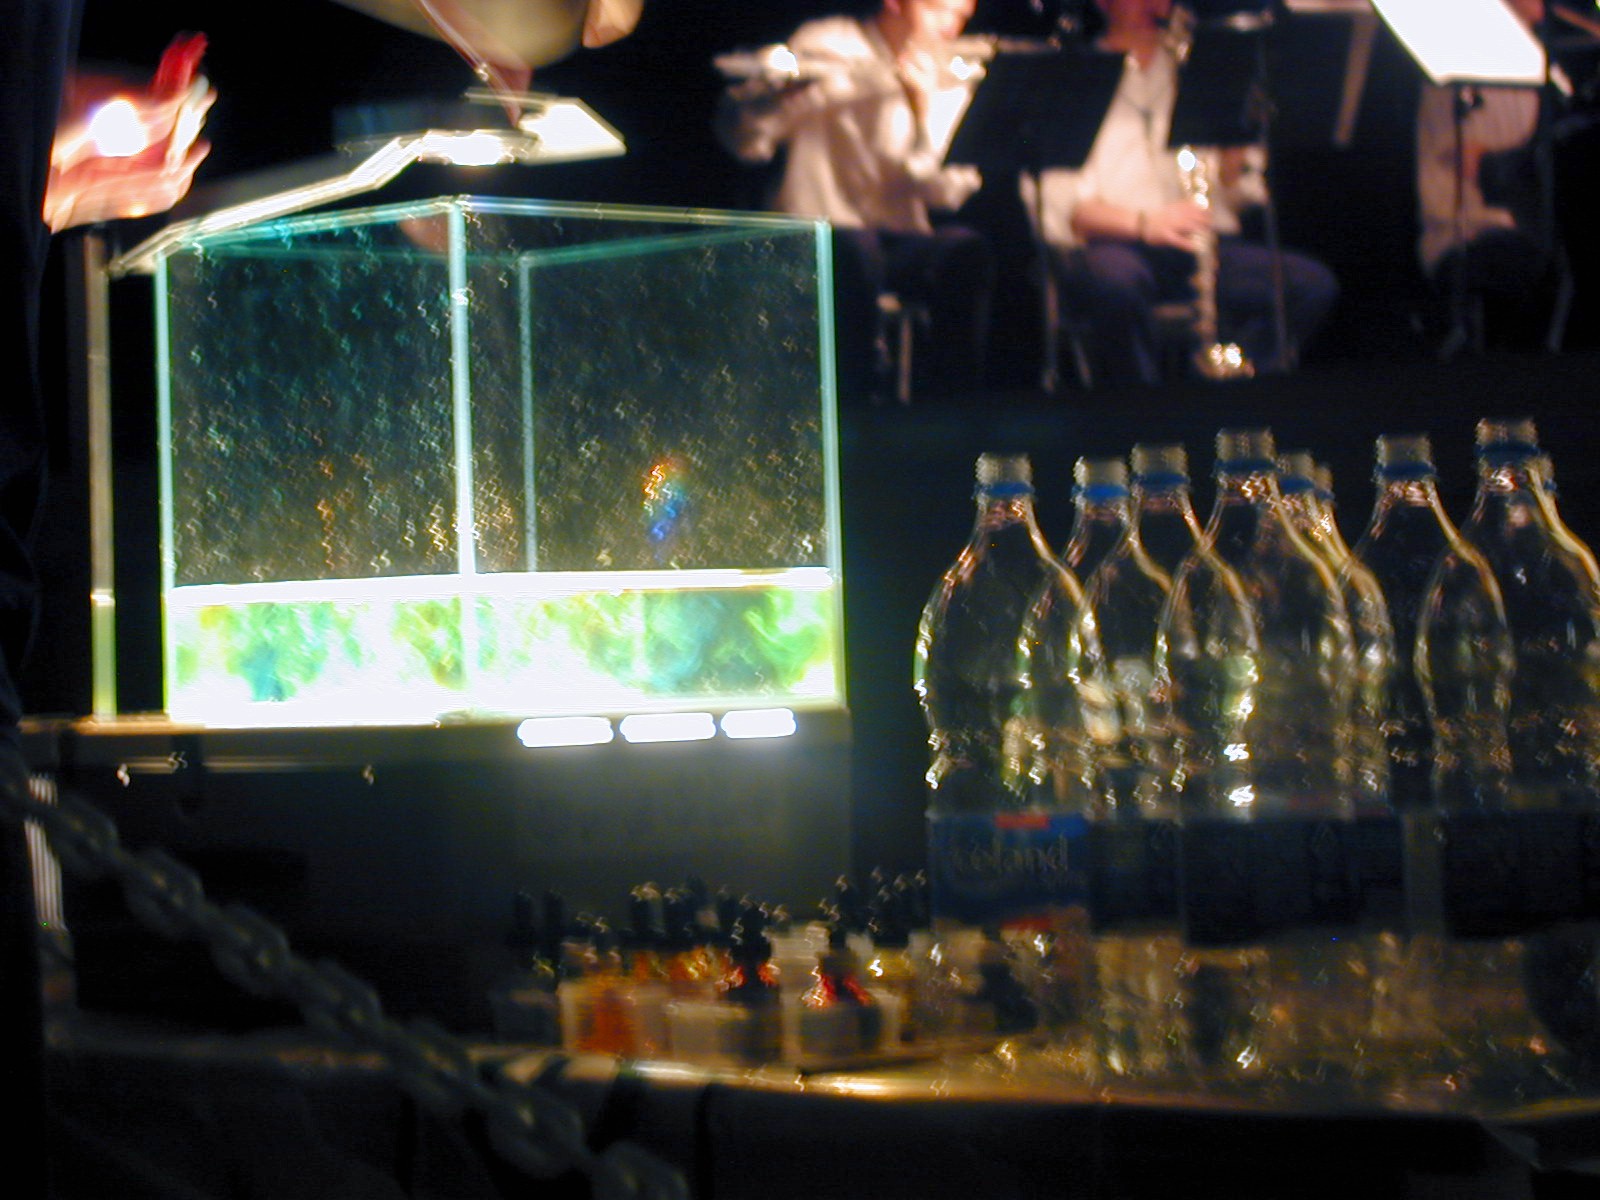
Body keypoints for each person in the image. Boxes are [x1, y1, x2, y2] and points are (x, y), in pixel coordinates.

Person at [1027, 0, 1337, 388]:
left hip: (1196, 245)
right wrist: (1145, 224)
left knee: (1307, 285)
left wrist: (1237, 145)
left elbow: (1234, 193)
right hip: (1114, 244)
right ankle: (1145, 407)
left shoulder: (1194, 70)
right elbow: (1066, 207)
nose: (1155, 5)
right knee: (1115, 284)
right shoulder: (1073, 78)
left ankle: (1231, 388)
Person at [715, 0, 997, 404]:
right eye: (938, 9)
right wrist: (790, 93)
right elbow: (746, 142)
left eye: (960, 16)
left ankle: (951, 409)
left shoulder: (950, 72)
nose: (950, 26)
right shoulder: (826, 43)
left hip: (899, 236)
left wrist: (921, 111)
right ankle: (856, 406)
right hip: (816, 234)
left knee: (966, 251)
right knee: (855, 249)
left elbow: (948, 192)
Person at [1415, 0, 1559, 353]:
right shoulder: (1470, 52)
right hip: (1470, 233)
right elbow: (1468, 160)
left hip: (1522, 227)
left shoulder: (1537, 60)